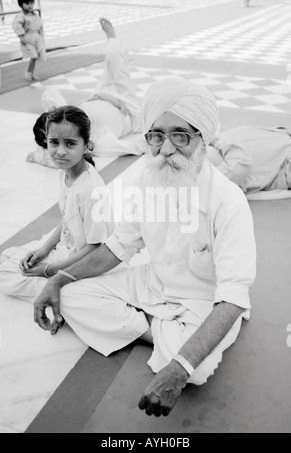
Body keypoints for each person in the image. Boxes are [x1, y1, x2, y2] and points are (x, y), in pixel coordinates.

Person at [4, 77, 255, 418]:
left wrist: (178, 369)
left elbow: (232, 298)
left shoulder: (228, 203)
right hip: (151, 283)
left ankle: (162, 333)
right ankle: (159, 329)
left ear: (202, 138)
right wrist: (59, 279)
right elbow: (116, 248)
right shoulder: (148, 181)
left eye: (179, 135)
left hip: (203, 302)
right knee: (71, 294)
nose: (166, 149)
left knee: (192, 371)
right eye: (155, 135)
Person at [0, 106, 112, 301]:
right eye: (54, 142)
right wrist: (42, 250)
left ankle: (59, 293)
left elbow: (95, 247)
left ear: (87, 145)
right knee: (9, 257)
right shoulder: (65, 174)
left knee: (7, 276)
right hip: (66, 249)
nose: (60, 151)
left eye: (70, 144)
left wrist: (49, 270)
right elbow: (67, 219)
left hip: (82, 261)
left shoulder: (92, 190)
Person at [41, 18, 146, 156]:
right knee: (115, 60)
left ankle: (113, 40)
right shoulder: (94, 142)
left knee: (112, 58)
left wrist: (53, 112)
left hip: (101, 94)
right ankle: (113, 40)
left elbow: (50, 92)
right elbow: (136, 147)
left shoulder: (66, 118)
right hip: (129, 110)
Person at [206, 126, 291, 193]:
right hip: (280, 156)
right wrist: (216, 141)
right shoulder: (209, 176)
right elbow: (241, 164)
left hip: (276, 141)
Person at [12, 0, 46, 82]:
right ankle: (28, 73)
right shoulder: (21, 16)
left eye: (31, 3)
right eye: (27, 3)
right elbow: (16, 26)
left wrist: (41, 35)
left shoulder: (34, 14)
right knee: (33, 56)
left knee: (35, 57)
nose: (30, 5)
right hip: (27, 38)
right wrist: (21, 36)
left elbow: (39, 25)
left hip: (35, 37)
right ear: (21, 4)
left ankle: (31, 73)